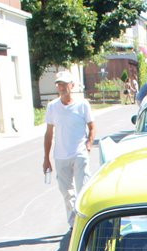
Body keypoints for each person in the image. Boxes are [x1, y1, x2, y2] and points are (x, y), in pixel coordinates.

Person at [43, 70, 95, 226]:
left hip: (79, 152)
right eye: (59, 84)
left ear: (72, 85)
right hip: (61, 156)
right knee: (66, 192)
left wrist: (89, 144)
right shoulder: (52, 107)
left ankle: (87, 221)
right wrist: (46, 158)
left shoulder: (82, 104)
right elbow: (49, 133)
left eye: (64, 84)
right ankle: (75, 224)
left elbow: (92, 126)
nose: (61, 87)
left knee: (83, 188)